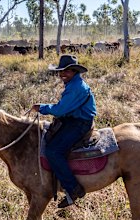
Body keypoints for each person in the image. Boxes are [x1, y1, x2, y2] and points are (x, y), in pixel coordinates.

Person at [31, 54, 97, 208]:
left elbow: (60, 110)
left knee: (54, 151)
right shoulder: (74, 84)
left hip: (79, 123)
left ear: (74, 71)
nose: (62, 75)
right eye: (60, 72)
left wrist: (42, 108)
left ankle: (73, 188)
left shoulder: (76, 88)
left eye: (66, 71)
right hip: (73, 119)